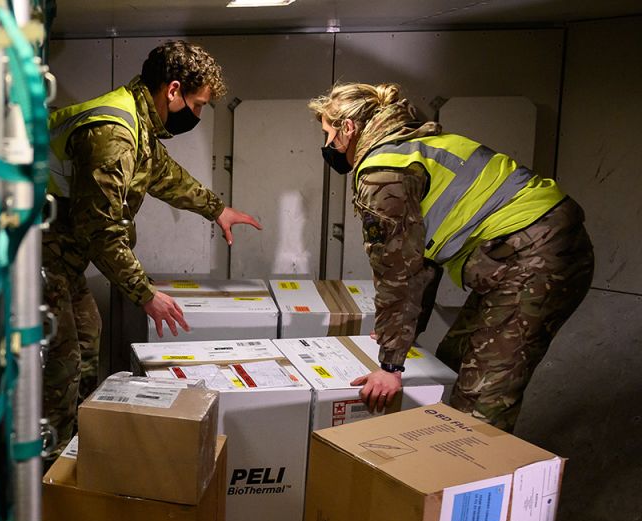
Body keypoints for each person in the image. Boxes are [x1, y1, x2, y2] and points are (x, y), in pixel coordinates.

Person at [308, 82, 594, 431]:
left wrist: (390, 366)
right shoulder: (420, 144)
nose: (327, 145)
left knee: (479, 401)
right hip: (531, 250)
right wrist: (401, 338)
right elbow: (421, 261)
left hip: (536, 258)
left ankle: (469, 469)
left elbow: (398, 272)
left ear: (348, 129)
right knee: (450, 364)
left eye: (327, 133)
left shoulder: (382, 173)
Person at [42, 40, 261, 456]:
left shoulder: (138, 123)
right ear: (173, 90)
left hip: (62, 261)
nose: (197, 116)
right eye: (197, 105)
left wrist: (217, 209)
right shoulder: (115, 133)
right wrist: (145, 295)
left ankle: (75, 442)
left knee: (89, 337)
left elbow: (164, 175)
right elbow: (101, 229)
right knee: (64, 359)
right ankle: (49, 463)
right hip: (35, 258)